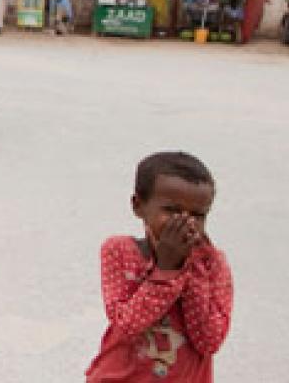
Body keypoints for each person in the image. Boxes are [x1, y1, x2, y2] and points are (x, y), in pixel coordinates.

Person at [86, 152, 232, 382]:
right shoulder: (120, 251)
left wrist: (189, 265)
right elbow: (127, 325)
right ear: (138, 206)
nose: (185, 222)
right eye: (172, 210)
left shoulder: (213, 265)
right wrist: (166, 269)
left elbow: (208, 341)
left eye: (198, 215)